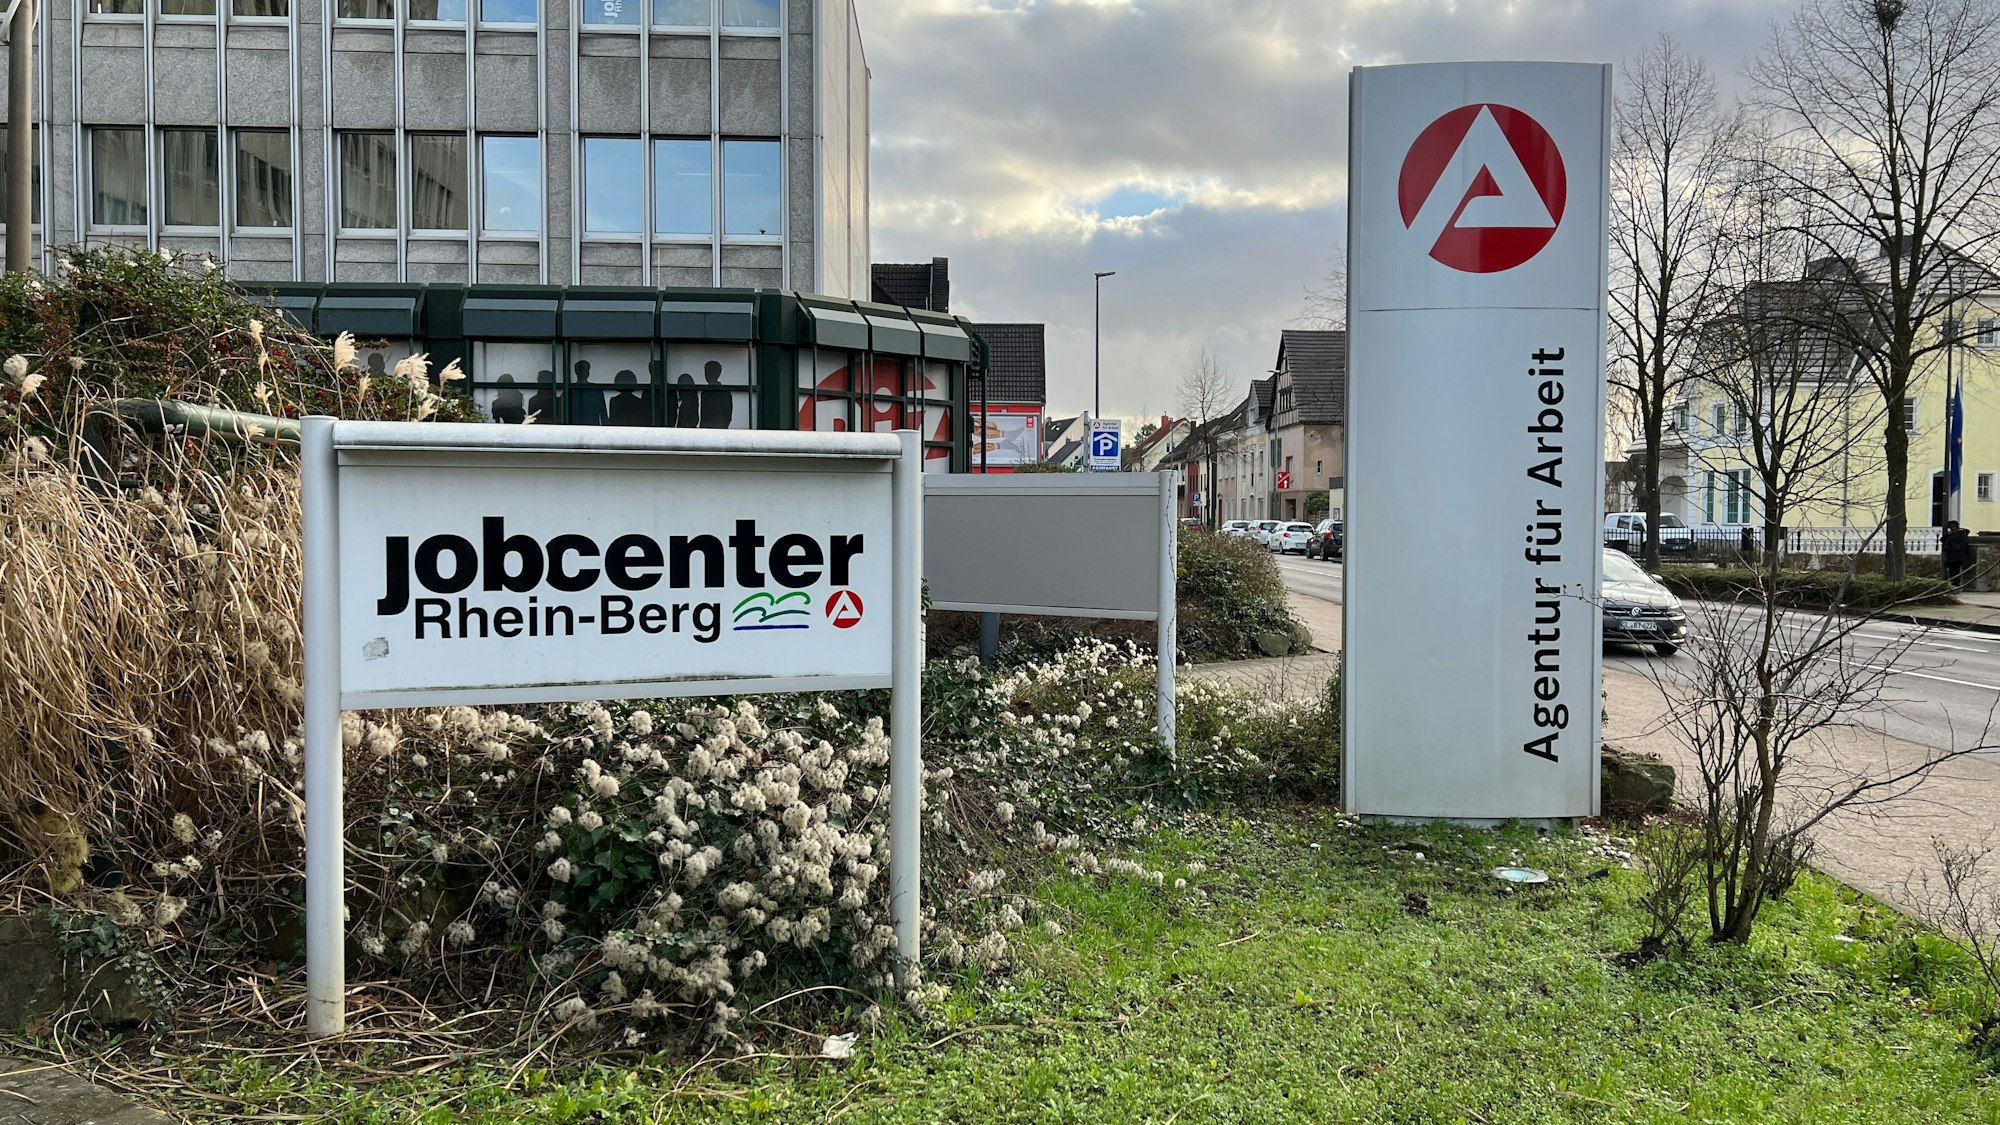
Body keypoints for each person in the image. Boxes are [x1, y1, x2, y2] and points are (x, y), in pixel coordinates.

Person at [1943, 520, 1975, 589]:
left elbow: (1965, 544)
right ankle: (1953, 583)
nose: (1952, 528)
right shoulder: (1949, 535)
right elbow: (1945, 542)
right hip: (1950, 556)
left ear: (1957, 527)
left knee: (1956, 570)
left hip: (1958, 556)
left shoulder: (1962, 534)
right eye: (1951, 527)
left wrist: (1956, 547)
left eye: (1953, 526)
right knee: (1952, 570)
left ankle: (1956, 584)